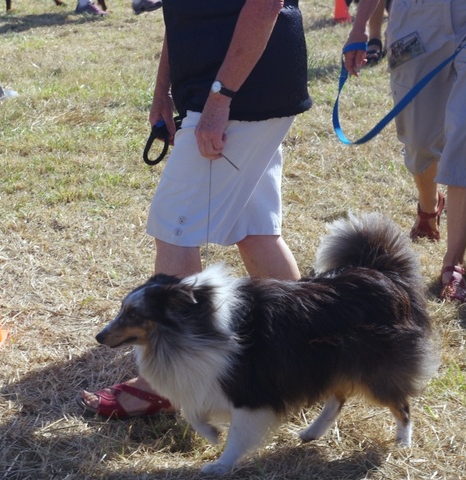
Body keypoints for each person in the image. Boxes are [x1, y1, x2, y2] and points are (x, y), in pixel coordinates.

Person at [79, 0, 312, 418]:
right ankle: (313, 350)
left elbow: (265, 5)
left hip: (240, 92)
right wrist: (164, 92)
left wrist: (219, 101)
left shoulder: (226, 96)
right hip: (234, 89)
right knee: (254, 227)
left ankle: (167, 380)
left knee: (174, 227)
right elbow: (183, 12)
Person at [342, 0, 466, 302]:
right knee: (418, 138)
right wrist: (359, 27)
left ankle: (454, 263)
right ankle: (429, 205)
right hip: (415, 17)